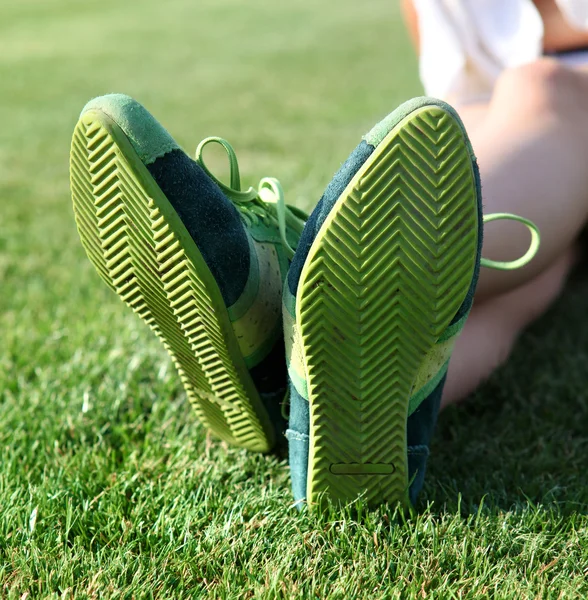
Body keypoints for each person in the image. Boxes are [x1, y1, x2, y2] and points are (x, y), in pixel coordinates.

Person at [401, 0, 588, 407]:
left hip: (555, 111)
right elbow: (459, 93)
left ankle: (353, 282)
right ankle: (343, 406)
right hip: (540, 166)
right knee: (521, 286)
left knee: (541, 86)